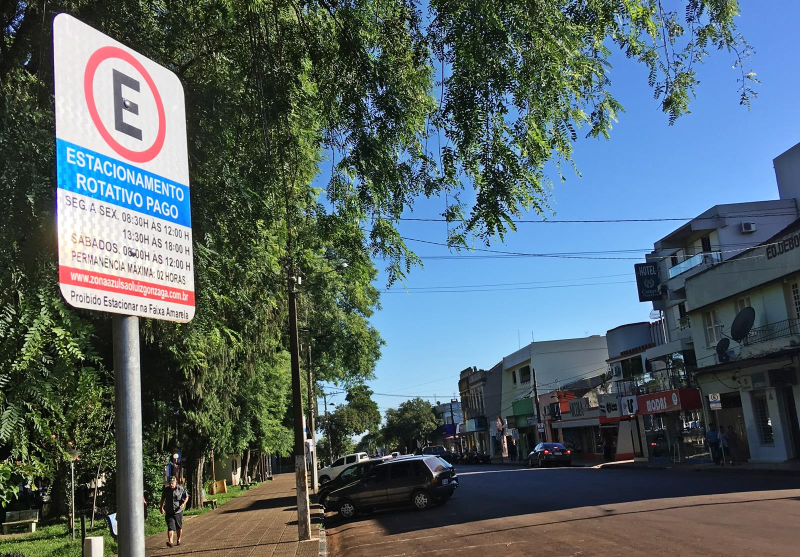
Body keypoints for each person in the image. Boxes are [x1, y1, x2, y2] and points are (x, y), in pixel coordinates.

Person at [160, 475, 189, 547]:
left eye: (172, 483)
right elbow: (162, 499)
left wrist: (183, 504)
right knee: (170, 527)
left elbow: (186, 496)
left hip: (178, 511)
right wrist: (161, 508)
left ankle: (178, 539)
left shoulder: (180, 489)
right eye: (169, 483)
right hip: (169, 511)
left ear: (176, 482)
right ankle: (170, 542)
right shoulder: (166, 490)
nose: (171, 484)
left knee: (178, 527)